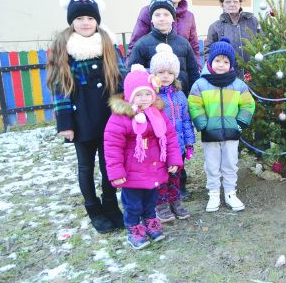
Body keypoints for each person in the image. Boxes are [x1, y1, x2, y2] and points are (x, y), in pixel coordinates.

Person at [47, 0, 126, 234]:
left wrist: (125, 112)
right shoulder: (64, 47)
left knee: (108, 164)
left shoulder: (108, 45)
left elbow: (121, 81)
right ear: (72, 21)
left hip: (108, 116)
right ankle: (94, 209)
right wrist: (65, 123)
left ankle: (111, 206)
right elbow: (59, 88)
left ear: (96, 20)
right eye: (79, 18)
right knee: (85, 167)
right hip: (80, 118)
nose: (85, 22)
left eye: (89, 18)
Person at [104, 64, 183, 250]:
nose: (144, 99)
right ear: (130, 96)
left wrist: (173, 159)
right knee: (133, 204)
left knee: (150, 201)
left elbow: (169, 137)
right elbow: (112, 146)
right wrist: (116, 172)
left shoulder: (157, 113)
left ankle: (150, 222)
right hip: (132, 173)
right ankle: (133, 228)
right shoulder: (121, 118)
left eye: (148, 94)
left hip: (154, 169)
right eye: (139, 95)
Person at [188, 40, 255, 212]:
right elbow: (195, 104)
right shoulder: (200, 85)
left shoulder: (238, 85)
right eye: (218, 60)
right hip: (210, 134)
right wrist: (203, 124)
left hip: (232, 133)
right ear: (210, 62)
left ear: (231, 64)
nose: (221, 65)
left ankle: (230, 193)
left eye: (226, 62)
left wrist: (239, 123)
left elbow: (248, 105)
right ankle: (214, 193)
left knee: (230, 164)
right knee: (211, 164)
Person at [148, 43, 195, 222]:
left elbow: (185, 120)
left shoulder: (180, 95)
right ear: (154, 74)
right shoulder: (152, 96)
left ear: (175, 74)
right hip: (159, 146)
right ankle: (161, 204)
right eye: (161, 72)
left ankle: (175, 200)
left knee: (175, 176)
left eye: (169, 73)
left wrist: (189, 143)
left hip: (178, 145)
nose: (165, 76)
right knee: (162, 176)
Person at [128, 0, 200, 98]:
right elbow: (133, 75)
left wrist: (194, 97)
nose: (162, 18)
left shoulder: (184, 44)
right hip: (154, 102)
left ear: (173, 18)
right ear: (151, 19)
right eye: (157, 15)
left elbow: (193, 73)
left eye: (166, 14)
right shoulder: (142, 44)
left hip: (181, 100)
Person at [128, 0, 200, 67]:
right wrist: (132, 74)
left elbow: (194, 49)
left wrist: (197, 70)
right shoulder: (147, 11)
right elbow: (134, 46)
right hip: (153, 75)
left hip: (182, 76)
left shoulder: (189, 16)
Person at [206, 0, 260, 64]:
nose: (232, 4)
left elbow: (263, 43)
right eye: (228, 2)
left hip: (252, 71)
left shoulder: (253, 21)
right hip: (226, 74)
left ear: (240, 3)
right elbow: (208, 51)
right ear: (222, 5)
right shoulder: (215, 27)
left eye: (235, 1)